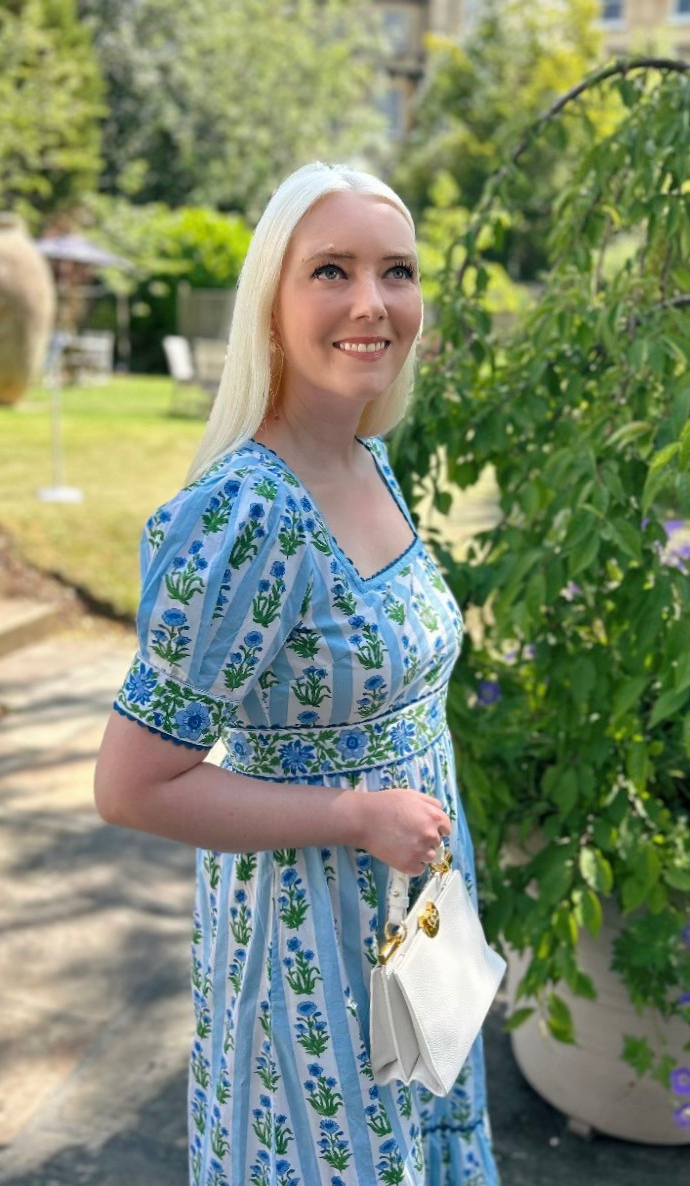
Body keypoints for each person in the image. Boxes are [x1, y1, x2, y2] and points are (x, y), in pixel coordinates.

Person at [94, 161, 501, 1186]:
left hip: (412, 924)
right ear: (269, 306)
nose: (372, 302)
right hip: (307, 943)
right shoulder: (243, 516)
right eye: (331, 270)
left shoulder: (369, 460)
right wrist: (355, 815)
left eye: (396, 271)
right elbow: (131, 787)